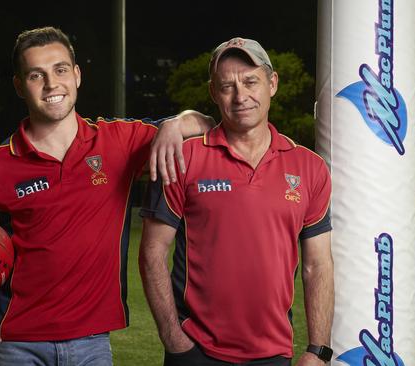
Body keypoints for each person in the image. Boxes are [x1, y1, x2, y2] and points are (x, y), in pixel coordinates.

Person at [0, 26, 214, 365]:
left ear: (76, 75)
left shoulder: (117, 142)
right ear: (19, 86)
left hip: (91, 344)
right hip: (17, 344)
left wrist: (173, 125)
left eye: (60, 69)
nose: (51, 84)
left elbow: (205, 122)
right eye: (36, 75)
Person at [139, 37, 334, 366]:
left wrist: (319, 350)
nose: (241, 96)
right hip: (195, 351)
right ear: (213, 93)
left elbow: (318, 266)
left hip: (272, 354)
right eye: (227, 86)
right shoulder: (182, 157)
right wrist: (173, 337)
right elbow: (152, 253)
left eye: (250, 82)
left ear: (272, 84)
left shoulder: (310, 167)